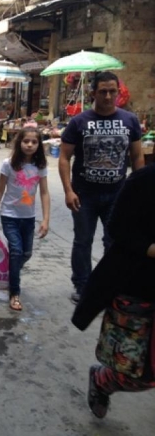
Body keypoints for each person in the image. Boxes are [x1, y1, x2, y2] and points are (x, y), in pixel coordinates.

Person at [71, 163, 155, 419]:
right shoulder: (144, 180)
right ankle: (102, 380)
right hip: (138, 289)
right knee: (137, 372)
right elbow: (117, 227)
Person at [58, 71, 144, 304]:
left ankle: (108, 284)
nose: (108, 96)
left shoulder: (130, 121)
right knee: (83, 241)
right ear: (93, 93)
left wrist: (139, 192)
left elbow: (137, 157)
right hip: (84, 194)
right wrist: (68, 190)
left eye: (112, 91)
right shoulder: (79, 122)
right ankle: (83, 286)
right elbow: (64, 158)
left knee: (114, 242)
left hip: (118, 194)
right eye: (103, 91)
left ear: (118, 92)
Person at [0, 127, 50, 311]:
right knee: (16, 250)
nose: (29, 145)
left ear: (39, 145)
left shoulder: (40, 166)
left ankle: (10, 271)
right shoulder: (8, 164)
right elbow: (0, 190)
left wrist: (46, 219)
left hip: (28, 217)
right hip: (9, 215)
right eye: (26, 141)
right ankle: (14, 293)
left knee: (26, 253)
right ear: (19, 142)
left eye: (34, 142)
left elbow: (44, 193)